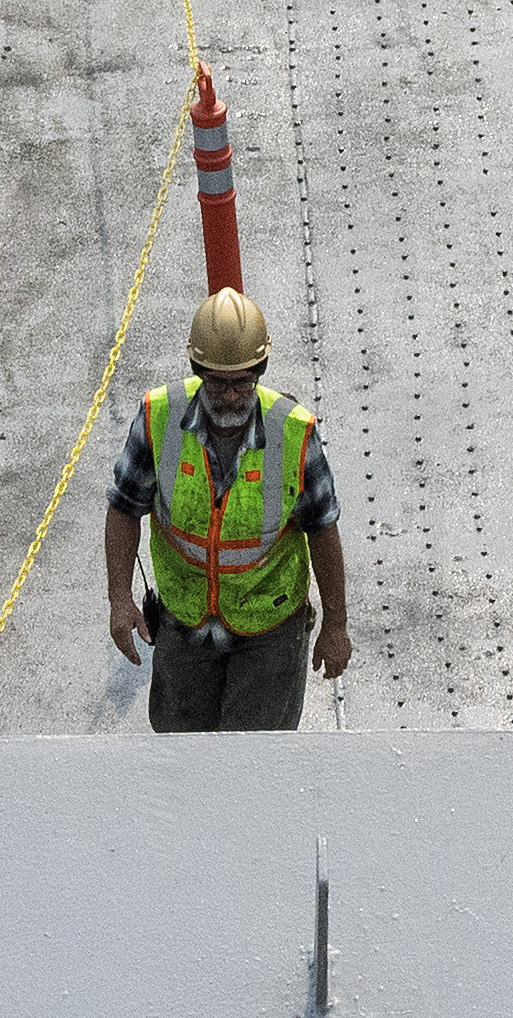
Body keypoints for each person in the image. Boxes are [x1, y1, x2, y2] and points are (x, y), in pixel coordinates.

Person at [104, 286, 351, 732]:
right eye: (218, 383)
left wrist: (335, 626)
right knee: (180, 748)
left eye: (244, 382)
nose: (232, 396)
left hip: (269, 625)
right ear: (198, 370)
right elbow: (124, 508)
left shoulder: (294, 433)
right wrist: (119, 601)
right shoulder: (158, 417)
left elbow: (322, 529)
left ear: (260, 370)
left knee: (255, 762)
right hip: (185, 617)